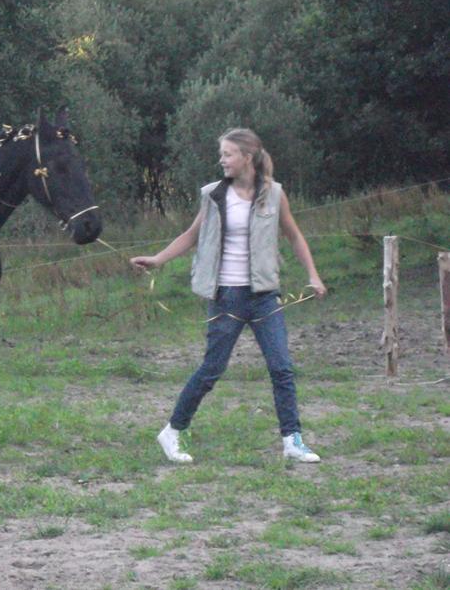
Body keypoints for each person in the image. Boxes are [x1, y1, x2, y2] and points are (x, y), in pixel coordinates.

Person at [130, 128, 327, 464]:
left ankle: (292, 440)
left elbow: (294, 237)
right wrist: (158, 259)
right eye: (221, 154)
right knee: (212, 369)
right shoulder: (213, 195)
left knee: (282, 368)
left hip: (264, 296)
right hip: (226, 297)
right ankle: (173, 431)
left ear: (246, 157)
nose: (221, 160)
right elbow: (191, 235)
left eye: (227, 154)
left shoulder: (275, 194)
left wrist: (313, 275)